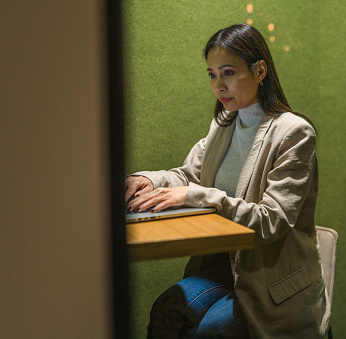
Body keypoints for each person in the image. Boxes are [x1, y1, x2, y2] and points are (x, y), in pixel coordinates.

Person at [125, 23, 331, 339]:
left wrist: (194, 196)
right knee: (166, 310)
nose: (218, 85)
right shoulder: (225, 123)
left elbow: (270, 221)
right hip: (224, 271)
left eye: (228, 73)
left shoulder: (294, 133)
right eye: (212, 75)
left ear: (260, 71)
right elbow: (188, 175)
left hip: (271, 283)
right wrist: (148, 180)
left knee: (209, 332)